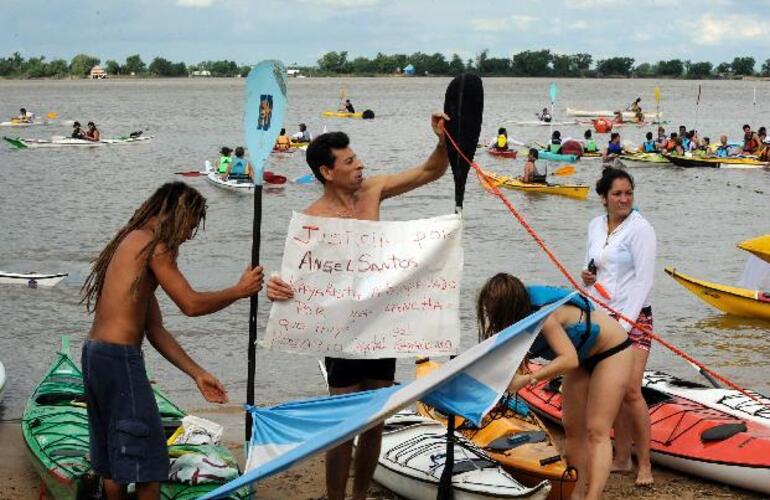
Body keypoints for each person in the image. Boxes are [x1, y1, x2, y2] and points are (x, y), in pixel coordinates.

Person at [266, 111, 450, 500]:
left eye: (357, 157)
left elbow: (431, 171)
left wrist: (441, 138)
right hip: (342, 333)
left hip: (382, 325)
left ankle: (360, 495)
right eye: (349, 161)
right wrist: (276, 288)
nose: (360, 164)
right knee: (343, 423)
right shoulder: (312, 219)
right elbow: (298, 281)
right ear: (326, 172)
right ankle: (336, 498)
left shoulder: (373, 191)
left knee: (375, 422)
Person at [79, 182, 264, 500]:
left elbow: (156, 331)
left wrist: (197, 374)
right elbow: (190, 304)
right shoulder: (156, 246)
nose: (190, 234)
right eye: (191, 224)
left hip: (96, 356)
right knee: (149, 465)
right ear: (175, 215)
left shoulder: (131, 242)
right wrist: (239, 290)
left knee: (114, 461)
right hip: (120, 360)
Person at [477, 274, 632, 500]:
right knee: (573, 429)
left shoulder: (544, 315)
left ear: (509, 307)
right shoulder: (517, 319)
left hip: (612, 351)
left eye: (494, 311)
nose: (491, 315)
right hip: (582, 355)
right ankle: (576, 492)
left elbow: (568, 360)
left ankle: (593, 496)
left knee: (597, 429)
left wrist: (528, 380)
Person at [581, 166, 656, 487]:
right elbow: (592, 267)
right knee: (614, 392)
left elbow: (644, 280)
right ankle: (622, 457)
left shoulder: (641, 229)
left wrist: (625, 324)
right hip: (602, 315)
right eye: (617, 194)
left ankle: (645, 466)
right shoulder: (596, 226)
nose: (624, 199)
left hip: (634, 319)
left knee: (631, 391)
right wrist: (587, 279)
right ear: (603, 198)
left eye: (628, 193)